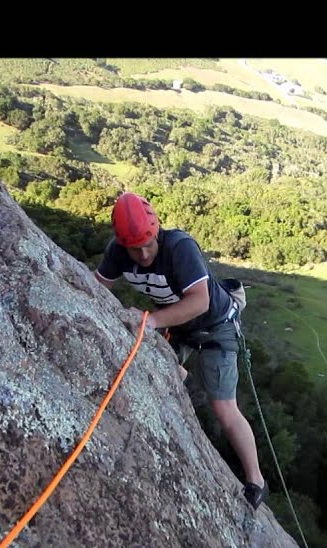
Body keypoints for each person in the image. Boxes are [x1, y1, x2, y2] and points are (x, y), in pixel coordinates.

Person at [93, 192, 269, 510]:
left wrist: (152, 321)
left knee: (224, 408)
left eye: (149, 243)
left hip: (217, 324)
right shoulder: (118, 252)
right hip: (180, 325)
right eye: (136, 248)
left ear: (157, 231)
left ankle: (256, 481)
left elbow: (200, 301)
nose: (144, 254)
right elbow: (98, 285)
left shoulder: (179, 247)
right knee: (165, 371)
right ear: (123, 243)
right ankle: (182, 377)